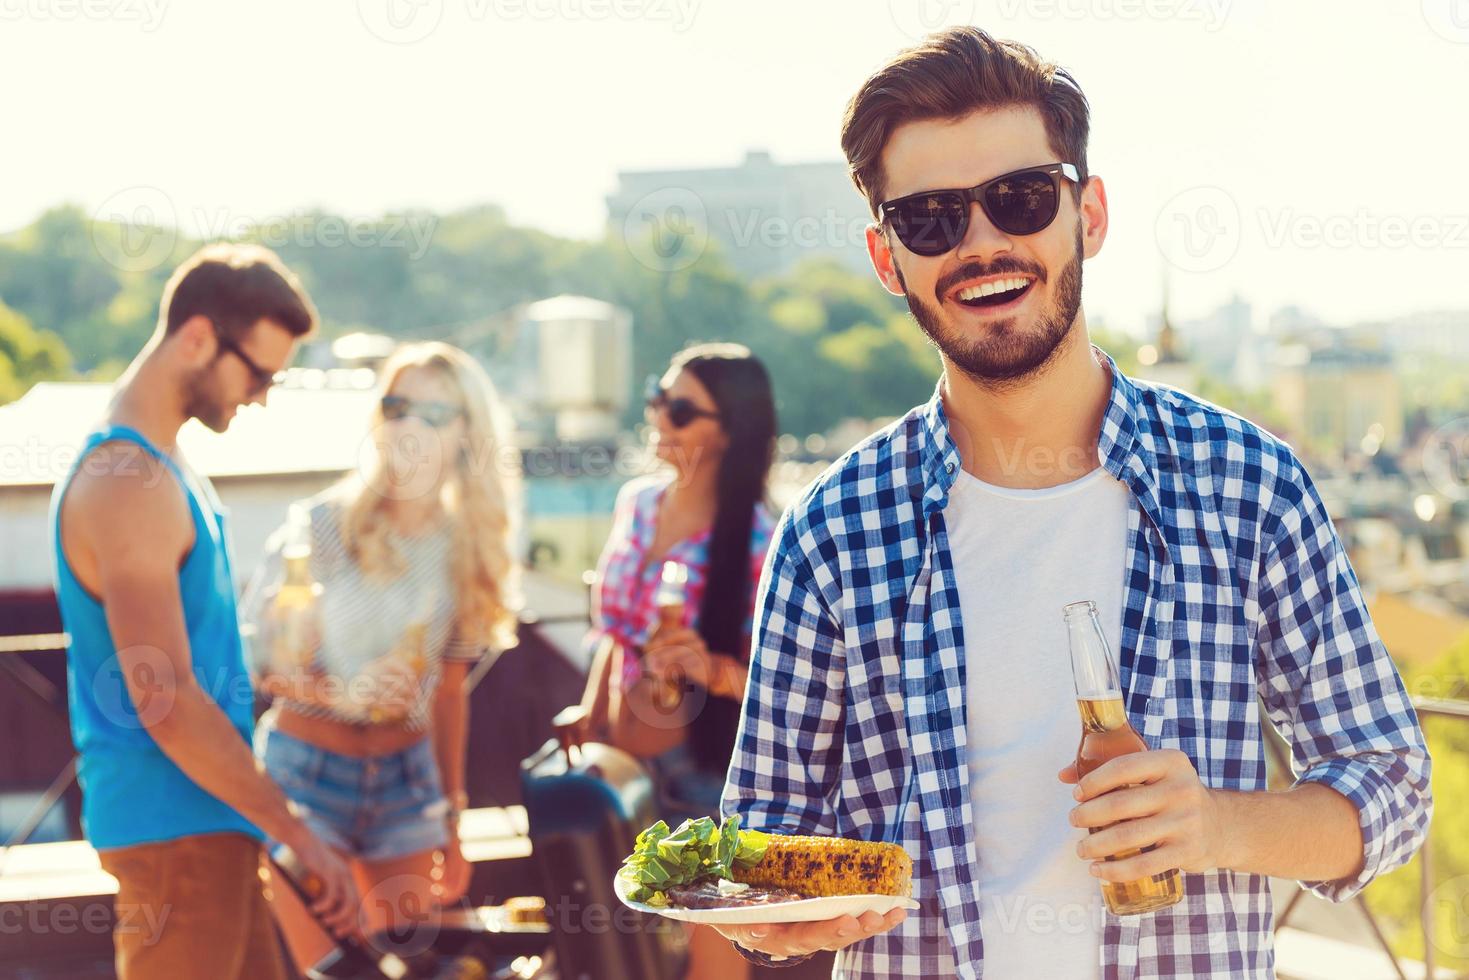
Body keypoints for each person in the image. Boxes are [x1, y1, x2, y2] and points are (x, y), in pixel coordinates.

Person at [715, 28, 1432, 979]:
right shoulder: (832, 528)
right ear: (887, 258)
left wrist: (1213, 823)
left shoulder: (1244, 483)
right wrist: (772, 911)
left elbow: (1389, 788)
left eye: (1019, 199)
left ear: (1087, 214)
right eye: (930, 219)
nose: (982, 243)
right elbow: (759, 841)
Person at [49, 243, 360, 980]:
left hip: (208, 823)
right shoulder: (127, 482)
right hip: (173, 833)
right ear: (196, 337)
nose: (260, 395)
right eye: (258, 373)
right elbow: (161, 698)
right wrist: (296, 833)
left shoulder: (161, 467)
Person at [242, 341, 521, 970]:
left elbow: (450, 693)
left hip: (407, 786)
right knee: (339, 972)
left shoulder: (468, 548)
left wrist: (453, 815)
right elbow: (263, 665)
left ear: (466, 432)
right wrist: (345, 694)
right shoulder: (320, 527)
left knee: (412, 967)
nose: (408, 427)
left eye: (431, 413)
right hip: (304, 782)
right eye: (397, 406)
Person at [578, 342, 777, 980]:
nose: (660, 417)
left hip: (700, 778)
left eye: (682, 409)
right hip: (614, 767)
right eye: (659, 400)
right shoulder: (637, 503)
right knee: (620, 956)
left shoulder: (759, 539)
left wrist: (708, 668)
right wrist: (586, 715)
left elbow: (779, 691)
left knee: (709, 965)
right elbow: (611, 633)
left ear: (730, 432)